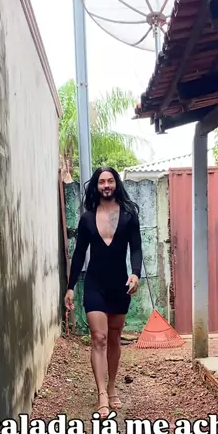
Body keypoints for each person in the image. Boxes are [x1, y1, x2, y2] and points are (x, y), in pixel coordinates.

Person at [65, 166, 142, 418]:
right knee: (99, 337)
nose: (106, 185)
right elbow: (79, 254)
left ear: (116, 184)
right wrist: (70, 287)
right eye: (101, 182)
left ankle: (111, 386)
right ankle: (101, 394)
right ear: (96, 187)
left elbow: (136, 248)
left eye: (110, 181)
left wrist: (136, 273)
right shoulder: (87, 218)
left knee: (114, 337)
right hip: (94, 284)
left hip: (119, 284)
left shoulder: (129, 215)